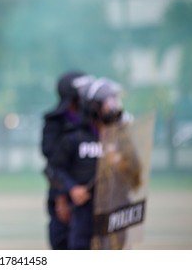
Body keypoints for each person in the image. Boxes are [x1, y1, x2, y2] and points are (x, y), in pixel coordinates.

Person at [49, 76, 131, 249]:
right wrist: (71, 188)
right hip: (84, 212)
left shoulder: (121, 138)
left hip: (115, 211)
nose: (113, 106)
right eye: (108, 102)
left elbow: (136, 171)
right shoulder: (74, 138)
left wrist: (121, 162)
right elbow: (55, 169)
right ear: (94, 106)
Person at [41, 71, 92, 249]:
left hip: (90, 192)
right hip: (63, 189)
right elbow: (52, 161)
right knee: (63, 241)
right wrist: (61, 197)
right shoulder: (56, 122)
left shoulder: (92, 120)